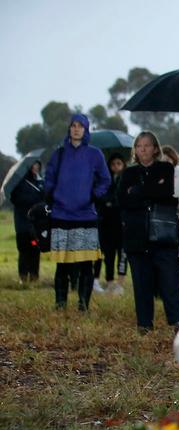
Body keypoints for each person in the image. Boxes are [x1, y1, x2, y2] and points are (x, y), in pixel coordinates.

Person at [42, 113, 111, 311]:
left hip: (86, 216)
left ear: (86, 129)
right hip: (61, 215)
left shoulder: (95, 154)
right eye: (73, 125)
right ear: (69, 128)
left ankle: (83, 306)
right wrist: (53, 194)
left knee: (86, 265)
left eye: (81, 126)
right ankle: (60, 304)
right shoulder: (59, 153)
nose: (76, 129)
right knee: (62, 265)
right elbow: (49, 178)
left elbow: (106, 179)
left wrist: (94, 195)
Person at [117, 131, 179, 331]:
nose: (143, 149)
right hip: (137, 235)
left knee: (170, 280)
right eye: (139, 145)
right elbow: (122, 200)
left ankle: (176, 320)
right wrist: (150, 190)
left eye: (147, 145)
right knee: (141, 282)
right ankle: (144, 324)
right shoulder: (128, 173)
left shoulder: (165, 168)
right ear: (135, 150)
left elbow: (165, 192)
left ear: (155, 148)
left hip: (163, 234)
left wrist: (137, 191)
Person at [94, 153, 127, 295]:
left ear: (123, 164)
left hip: (123, 223)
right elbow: (102, 198)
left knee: (122, 254)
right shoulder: (105, 181)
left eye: (119, 163)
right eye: (113, 164)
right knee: (108, 254)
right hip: (107, 224)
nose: (116, 167)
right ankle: (109, 281)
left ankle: (120, 283)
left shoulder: (127, 179)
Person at [11, 159, 43, 284]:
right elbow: (17, 200)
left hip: (36, 225)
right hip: (22, 224)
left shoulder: (40, 183)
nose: (36, 167)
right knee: (24, 251)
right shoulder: (18, 184)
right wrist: (34, 200)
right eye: (34, 165)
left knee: (35, 249)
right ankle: (23, 277)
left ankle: (34, 277)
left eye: (38, 165)